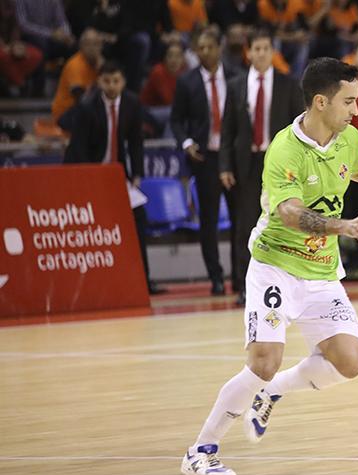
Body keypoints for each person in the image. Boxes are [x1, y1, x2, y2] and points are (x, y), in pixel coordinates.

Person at [181, 58, 358, 475]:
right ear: (321, 102)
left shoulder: (345, 136)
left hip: (320, 271)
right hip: (276, 266)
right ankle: (201, 450)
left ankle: (273, 393)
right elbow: (291, 214)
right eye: (348, 102)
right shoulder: (284, 150)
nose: (356, 111)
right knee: (263, 360)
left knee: (349, 361)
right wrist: (343, 226)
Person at [220, 28, 303, 305]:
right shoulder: (236, 84)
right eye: (256, 49)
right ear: (248, 52)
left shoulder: (288, 83)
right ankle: (244, 287)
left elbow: (297, 127)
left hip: (278, 162)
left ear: (273, 51)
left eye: (266, 48)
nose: (261, 53)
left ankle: (285, 284)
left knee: (282, 223)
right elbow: (227, 130)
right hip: (247, 162)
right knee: (245, 225)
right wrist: (225, 166)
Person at [63, 61, 161, 294]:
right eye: (107, 81)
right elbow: (79, 148)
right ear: (99, 82)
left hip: (117, 175)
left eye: (116, 81)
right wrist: (89, 180)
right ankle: (89, 283)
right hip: (89, 173)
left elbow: (136, 141)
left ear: (123, 82)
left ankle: (144, 281)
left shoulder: (131, 103)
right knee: (89, 227)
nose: (112, 86)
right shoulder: (87, 106)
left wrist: (136, 174)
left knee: (139, 218)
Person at [171, 28, 239, 296]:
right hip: (206, 158)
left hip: (232, 158)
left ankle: (242, 279)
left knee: (241, 220)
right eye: (200, 48)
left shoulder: (236, 77)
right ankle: (216, 277)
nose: (205, 52)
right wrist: (186, 143)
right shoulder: (186, 82)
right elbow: (176, 120)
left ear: (219, 48)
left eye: (209, 47)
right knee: (208, 221)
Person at [52, 29, 103, 121]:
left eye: (96, 44)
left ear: (101, 46)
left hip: (87, 108)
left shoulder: (101, 64)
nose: (92, 48)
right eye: (88, 44)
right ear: (81, 46)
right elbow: (81, 99)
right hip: (66, 113)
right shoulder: (75, 64)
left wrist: (102, 70)